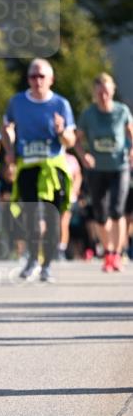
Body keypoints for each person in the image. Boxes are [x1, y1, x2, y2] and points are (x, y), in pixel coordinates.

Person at [3, 59, 76, 283]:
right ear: (28, 79)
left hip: (53, 167)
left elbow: (70, 140)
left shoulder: (61, 104)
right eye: (33, 76)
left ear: (51, 79)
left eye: (41, 76)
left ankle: (47, 265)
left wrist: (61, 131)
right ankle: (33, 259)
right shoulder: (16, 102)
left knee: (54, 219)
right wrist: (9, 145)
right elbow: (7, 131)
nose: (37, 81)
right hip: (28, 166)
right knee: (31, 217)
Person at [75, 73, 133, 272]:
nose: (103, 96)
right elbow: (77, 139)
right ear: (95, 93)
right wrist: (84, 156)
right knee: (100, 213)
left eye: (107, 92)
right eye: (100, 92)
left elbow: (131, 132)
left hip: (120, 167)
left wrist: (132, 150)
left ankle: (116, 254)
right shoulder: (88, 114)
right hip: (97, 169)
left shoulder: (122, 111)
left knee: (117, 211)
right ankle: (107, 252)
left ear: (113, 91)